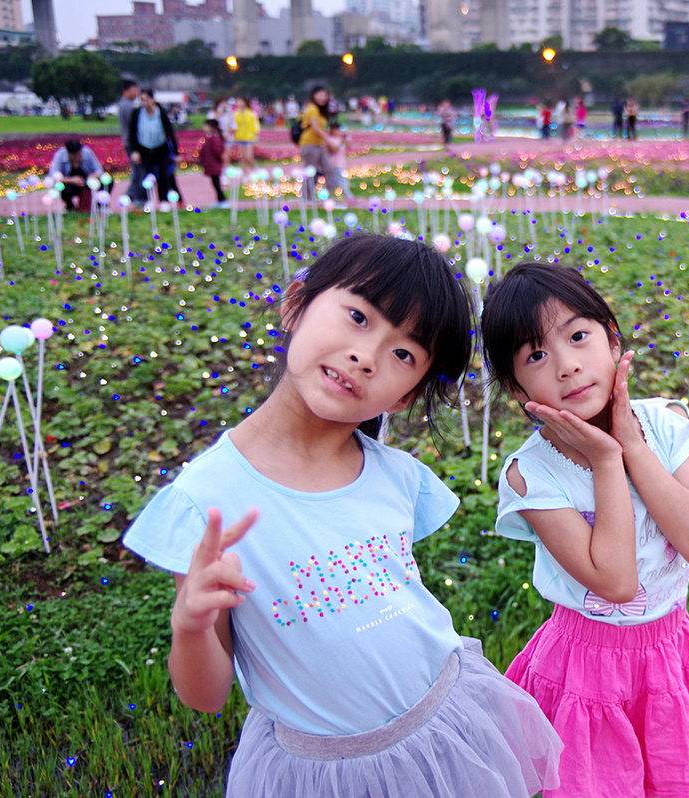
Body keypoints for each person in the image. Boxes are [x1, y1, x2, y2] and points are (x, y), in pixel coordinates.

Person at [122, 235, 562, 797]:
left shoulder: (394, 475)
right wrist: (191, 624)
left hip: (444, 722)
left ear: (407, 396)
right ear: (296, 304)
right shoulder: (209, 499)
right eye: (357, 316)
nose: (367, 356)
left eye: (404, 354)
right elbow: (205, 697)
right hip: (322, 771)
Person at [479, 262, 689, 798]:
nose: (567, 366)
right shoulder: (532, 474)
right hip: (583, 670)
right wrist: (608, 461)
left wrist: (633, 446)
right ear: (516, 388)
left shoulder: (663, 423)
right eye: (536, 355)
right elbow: (613, 583)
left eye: (578, 336)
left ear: (613, 343)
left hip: (664, 649)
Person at [128, 88, 182, 205]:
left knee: (163, 174)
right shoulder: (137, 113)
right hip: (144, 148)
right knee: (148, 174)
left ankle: (163, 200)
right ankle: (148, 200)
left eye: (146, 100)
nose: (144, 103)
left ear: (152, 100)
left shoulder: (161, 113)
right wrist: (134, 151)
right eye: (142, 100)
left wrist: (176, 153)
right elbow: (132, 133)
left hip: (160, 148)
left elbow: (170, 133)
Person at [298, 85, 335, 200]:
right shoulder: (313, 108)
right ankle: (306, 197)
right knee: (311, 171)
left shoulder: (320, 110)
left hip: (319, 144)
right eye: (320, 95)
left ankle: (329, 197)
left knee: (329, 169)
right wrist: (329, 141)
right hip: (310, 144)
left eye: (324, 95)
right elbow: (315, 128)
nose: (322, 98)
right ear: (314, 96)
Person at [49, 139, 102, 212]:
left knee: (107, 182)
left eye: (78, 154)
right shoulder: (60, 155)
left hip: (88, 181)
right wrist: (71, 180)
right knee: (61, 186)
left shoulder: (87, 153)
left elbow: (99, 171)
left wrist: (91, 177)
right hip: (70, 183)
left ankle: (101, 206)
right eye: (73, 156)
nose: (76, 157)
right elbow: (53, 174)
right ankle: (70, 206)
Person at [117, 79, 147, 205]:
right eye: (134, 90)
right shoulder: (128, 106)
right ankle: (133, 196)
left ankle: (134, 195)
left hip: (129, 142)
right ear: (126, 91)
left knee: (139, 171)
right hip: (133, 143)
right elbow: (134, 126)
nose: (137, 93)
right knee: (139, 171)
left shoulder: (125, 104)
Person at [197, 119, 228, 208]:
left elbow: (217, 151)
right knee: (215, 183)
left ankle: (222, 200)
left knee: (216, 183)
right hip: (211, 164)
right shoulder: (209, 138)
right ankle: (219, 200)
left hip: (214, 164)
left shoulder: (214, 138)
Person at [325, 120, 352, 198]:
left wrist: (346, 140)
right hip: (334, 164)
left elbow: (348, 147)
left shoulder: (340, 139)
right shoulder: (329, 140)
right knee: (342, 181)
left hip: (341, 163)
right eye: (335, 129)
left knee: (332, 183)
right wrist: (341, 142)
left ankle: (328, 197)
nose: (337, 131)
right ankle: (349, 197)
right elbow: (333, 150)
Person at [232, 96, 260, 170]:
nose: (238, 103)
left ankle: (255, 169)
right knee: (242, 157)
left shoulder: (251, 113)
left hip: (249, 137)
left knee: (248, 156)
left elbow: (255, 125)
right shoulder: (236, 114)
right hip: (239, 137)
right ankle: (244, 174)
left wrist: (255, 134)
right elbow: (234, 125)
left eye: (240, 101)